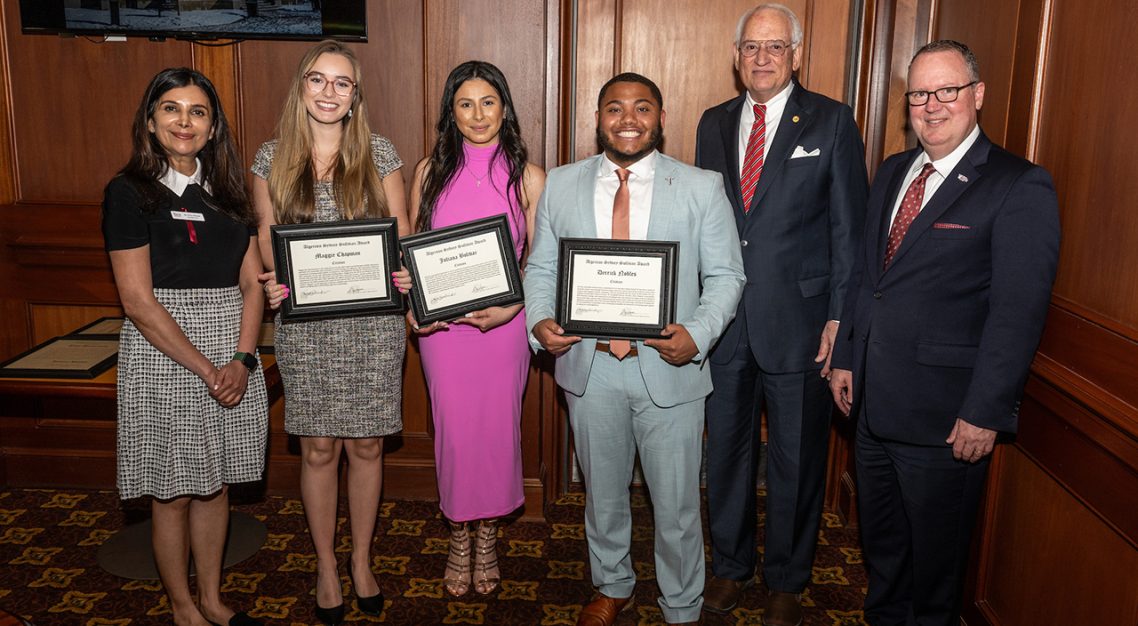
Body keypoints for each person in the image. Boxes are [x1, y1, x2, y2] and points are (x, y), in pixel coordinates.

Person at [828, 40, 1060, 626]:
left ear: (977, 95)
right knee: (883, 556)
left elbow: (1017, 314)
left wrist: (984, 412)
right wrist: (848, 357)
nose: (931, 106)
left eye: (947, 91)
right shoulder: (891, 171)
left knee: (935, 576)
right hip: (872, 408)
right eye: (919, 95)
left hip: (946, 422)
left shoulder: (1018, 184)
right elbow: (867, 278)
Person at [524, 73, 745, 626]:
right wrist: (540, 321)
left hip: (670, 367)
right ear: (598, 118)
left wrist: (698, 334)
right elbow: (542, 267)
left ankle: (682, 605)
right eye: (615, 108)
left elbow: (726, 275)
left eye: (642, 108)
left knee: (677, 506)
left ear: (661, 119)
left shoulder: (700, 186)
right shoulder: (562, 183)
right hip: (590, 366)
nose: (628, 119)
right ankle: (612, 584)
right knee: (602, 497)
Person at [694, 4, 868, 623]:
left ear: (796, 54)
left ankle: (788, 580)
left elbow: (850, 231)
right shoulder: (713, 123)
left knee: (796, 457)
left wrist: (841, 319)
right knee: (726, 453)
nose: (762, 57)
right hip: (724, 322)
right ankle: (730, 567)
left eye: (775, 46)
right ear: (736, 56)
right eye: (751, 47)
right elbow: (704, 223)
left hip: (802, 324)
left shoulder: (832, 120)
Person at [102, 67, 268, 626]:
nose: (184, 122)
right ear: (150, 122)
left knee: (214, 483)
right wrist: (207, 368)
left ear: (213, 127)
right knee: (171, 489)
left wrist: (242, 359)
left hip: (231, 346)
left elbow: (252, 284)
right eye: (171, 109)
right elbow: (136, 300)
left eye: (198, 112)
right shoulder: (128, 193)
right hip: (164, 352)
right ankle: (182, 607)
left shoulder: (229, 192)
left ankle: (213, 600)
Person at [253, 41, 409, 626]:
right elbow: (265, 239)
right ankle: (326, 566)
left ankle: (361, 560)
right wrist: (272, 281)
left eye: (342, 83)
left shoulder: (380, 152)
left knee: (367, 445)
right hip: (307, 326)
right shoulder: (271, 157)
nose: (329, 92)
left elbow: (401, 231)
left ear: (355, 95)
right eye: (318, 80)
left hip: (373, 325)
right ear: (302, 87)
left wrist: (403, 271)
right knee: (318, 449)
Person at [395, 60, 544, 597]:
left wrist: (513, 307)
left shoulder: (530, 176)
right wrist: (412, 305)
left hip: (503, 327)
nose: (478, 115)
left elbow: (539, 262)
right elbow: (411, 249)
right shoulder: (428, 171)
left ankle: (488, 537)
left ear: (505, 108)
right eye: (465, 104)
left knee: (498, 431)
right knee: (454, 434)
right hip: (443, 333)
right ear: (451, 112)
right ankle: (459, 534)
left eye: (488, 102)